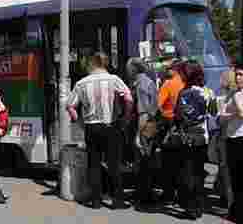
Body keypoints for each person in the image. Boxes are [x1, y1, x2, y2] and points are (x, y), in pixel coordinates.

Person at [67, 52, 133, 210]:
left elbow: (70, 105)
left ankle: (96, 201)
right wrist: (126, 117)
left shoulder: (81, 83)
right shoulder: (114, 79)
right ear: (105, 64)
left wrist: (80, 122)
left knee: (94, 163)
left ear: (92, 64)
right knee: (114, 164)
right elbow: (129, 98)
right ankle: (117, 200)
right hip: (111, 125)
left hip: (91, 127)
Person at [173, 62, 213, 220]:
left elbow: (179, 115)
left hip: (187, 136)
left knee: (188, 172)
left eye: (182, 73)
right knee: (199, 171)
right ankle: (198, 205)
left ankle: (190, 207)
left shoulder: (185, 93)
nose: (180, 76)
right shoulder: (208, 91)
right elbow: (214, 113)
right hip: (203, 136)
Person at [126, 58, 159, 212]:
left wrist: (138, 134)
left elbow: (143, 112)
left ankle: (144, 195)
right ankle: (146, 193)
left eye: (128, 69)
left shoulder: (141, 85)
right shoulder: (148, 82)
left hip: (144, 125)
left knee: (142, 161)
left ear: (134, 70)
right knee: (147, 159)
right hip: (150, 125)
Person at [158, 60, 186, 205]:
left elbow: (159, 105)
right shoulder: (185, 83)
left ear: (174, 70)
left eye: (168, 68)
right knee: (182, 162)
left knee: (168, 162)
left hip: (169, 124)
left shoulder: (168, 84)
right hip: (185, 126)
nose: (166, 70)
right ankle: (182, 195)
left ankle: (168, 194)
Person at [219, 60, 243, 224]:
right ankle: (235, 211)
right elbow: (221, 117)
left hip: (239, 138)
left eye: (242, 74)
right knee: (235, 177)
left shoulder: (237, 95)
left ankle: (238, 213)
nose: (239, 77)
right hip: (232, 137)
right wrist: (231, 113)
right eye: (238, 74)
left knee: (239, 177)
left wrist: (233, 111)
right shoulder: (233, 94)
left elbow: (241, 113)